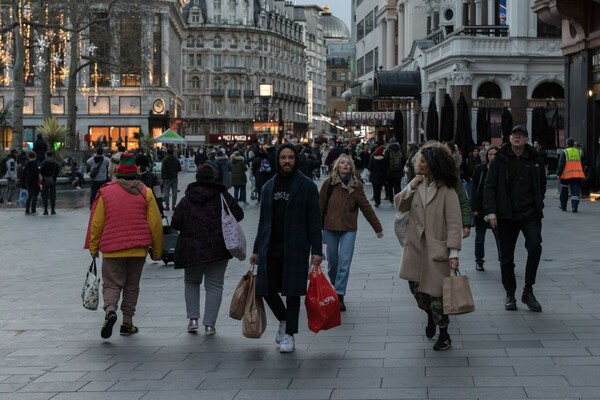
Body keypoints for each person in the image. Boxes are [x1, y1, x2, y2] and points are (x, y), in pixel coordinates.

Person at [249, 143, 322, 353]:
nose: (287, 161)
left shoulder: (307, 186)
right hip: (270, 246)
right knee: (266, 289)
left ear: (295, 160)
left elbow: (314, 221)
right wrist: (255, 249)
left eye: (290, 157)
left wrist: (316, 250)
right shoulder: (268, 187)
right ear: (277, 160)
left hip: (296, 246)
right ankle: (283, 320)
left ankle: (290, 335)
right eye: (283, 158)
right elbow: (263, 221)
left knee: (292, 292)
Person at [84, 153, 163, 339]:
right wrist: (157, 251)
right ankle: (127, 323)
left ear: (117, 172)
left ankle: (110, 311)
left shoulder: (106, 192)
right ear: (135, 172)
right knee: (132, 286)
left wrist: (93, 247)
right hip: (138, 249)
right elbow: (156, 224)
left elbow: (97, 223)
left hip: (112, 249)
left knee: (111, 284)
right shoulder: (146, 192)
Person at [395, 142, 462, 351]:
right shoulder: (416, 183)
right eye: (418, 160)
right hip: (414, 247)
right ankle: (430, 317)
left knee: (438, 297)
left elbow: (453, 222)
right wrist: (411, 186)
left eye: (423, 161)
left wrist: (453, 252)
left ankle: (444, 333)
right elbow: (399, 204)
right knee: (417, 293)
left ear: (434, 163)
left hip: (436, 249)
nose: (419, 163)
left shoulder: (447, 189)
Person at [171, 164, 244, 335]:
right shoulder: (222, 196)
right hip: (218, 248)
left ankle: (193, 319)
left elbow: (175, 222)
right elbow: (239, 215)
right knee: (215, 286)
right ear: (214, 177)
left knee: (191, 282)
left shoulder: (188, 198)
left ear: (197, 177)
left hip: (191, 249)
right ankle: (210, 325)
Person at [484, 125, 546, 312]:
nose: (517, 138)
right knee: (506, 257)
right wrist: (491, 211)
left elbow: (541, 184)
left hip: (529, 213)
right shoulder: (500, 159)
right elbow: (490, 186)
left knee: (535, 247)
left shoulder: (535, 159)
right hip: (506, 215)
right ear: (510, 138)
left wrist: (538, 202)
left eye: (521, 135)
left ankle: (528, 290)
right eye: (514, 135)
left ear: (526, 140)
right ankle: (510, 293)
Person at [320, 154, 383, 312]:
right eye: (342, 163)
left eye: (348, 163)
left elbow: (366, 207)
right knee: (333, 262)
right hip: (330, 227)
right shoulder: (329, 184)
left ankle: (340, 294)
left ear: (351, 167)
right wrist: (315, 228)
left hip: (349, 228)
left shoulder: (357, 185)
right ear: (337, 166)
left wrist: (378, 227)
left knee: (345, 262)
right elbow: (320, 206)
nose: (345, 165)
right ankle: (335, 286)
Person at [470, 146, 501, 271]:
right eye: (490, 154)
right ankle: (479, 261)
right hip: (481, 208)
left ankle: (503, 260)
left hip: (496, 209)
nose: (492, 156)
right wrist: (474, 207)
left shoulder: (502, 169)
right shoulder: (480, 169)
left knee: (500, 238)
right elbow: (474, 188)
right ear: (487, 156)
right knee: (479, 238)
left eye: (495, 154)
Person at [556, 138, 585, 213]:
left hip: (566, 175)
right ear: (573, 144)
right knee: (575, 191)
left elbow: (561, 164)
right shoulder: (578, 152)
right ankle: (574, 207)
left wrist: (558, 174)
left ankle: (563, 206)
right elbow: (582, 164)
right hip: (577, 175)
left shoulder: (565, 152)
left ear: (566, 144)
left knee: (564, 191)